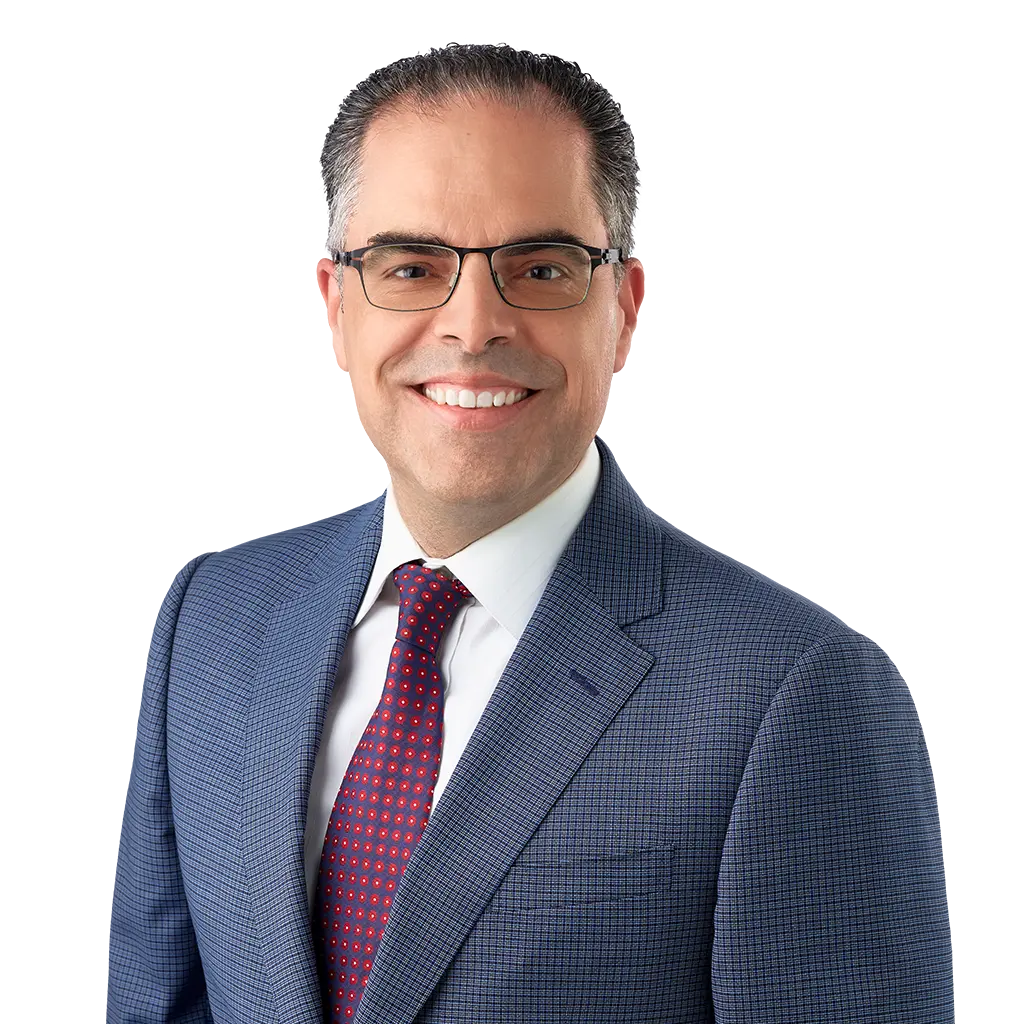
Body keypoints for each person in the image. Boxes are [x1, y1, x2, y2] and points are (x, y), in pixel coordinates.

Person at [106, 40, 956, 1024]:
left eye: (541, 267)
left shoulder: (793, 693)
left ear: (622, 308)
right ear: (332, 304)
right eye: (411, 266)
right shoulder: (212, 621)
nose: (473, 326)